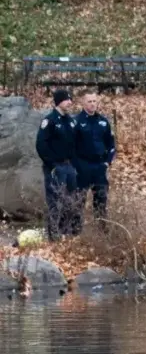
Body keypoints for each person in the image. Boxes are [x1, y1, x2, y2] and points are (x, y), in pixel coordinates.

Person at [36, 89, 79, 241]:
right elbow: (41, 145)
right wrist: (52, 164)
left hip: (70, 167)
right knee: (55, 201)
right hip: (55, 167)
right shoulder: (49, 121)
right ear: (59, 101)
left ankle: (65, 233)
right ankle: (53, 235)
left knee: (70, 201)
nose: (70, 102)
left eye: (70, 99)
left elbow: (76, 144)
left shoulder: (71, 121)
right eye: (67, 99)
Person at [72, 90, 116, 231]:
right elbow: (70, 146)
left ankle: (101, 230)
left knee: (101, 199)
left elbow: (111, 145)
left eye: (94, 101)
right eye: (89, 101)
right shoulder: (76, 121)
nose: (92, 104)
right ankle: (76, 231)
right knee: (79, 200)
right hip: (82, 166)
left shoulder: (103, 121)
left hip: (99, 166)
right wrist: (76, 165)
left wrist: (107, 162)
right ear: (83, 103)